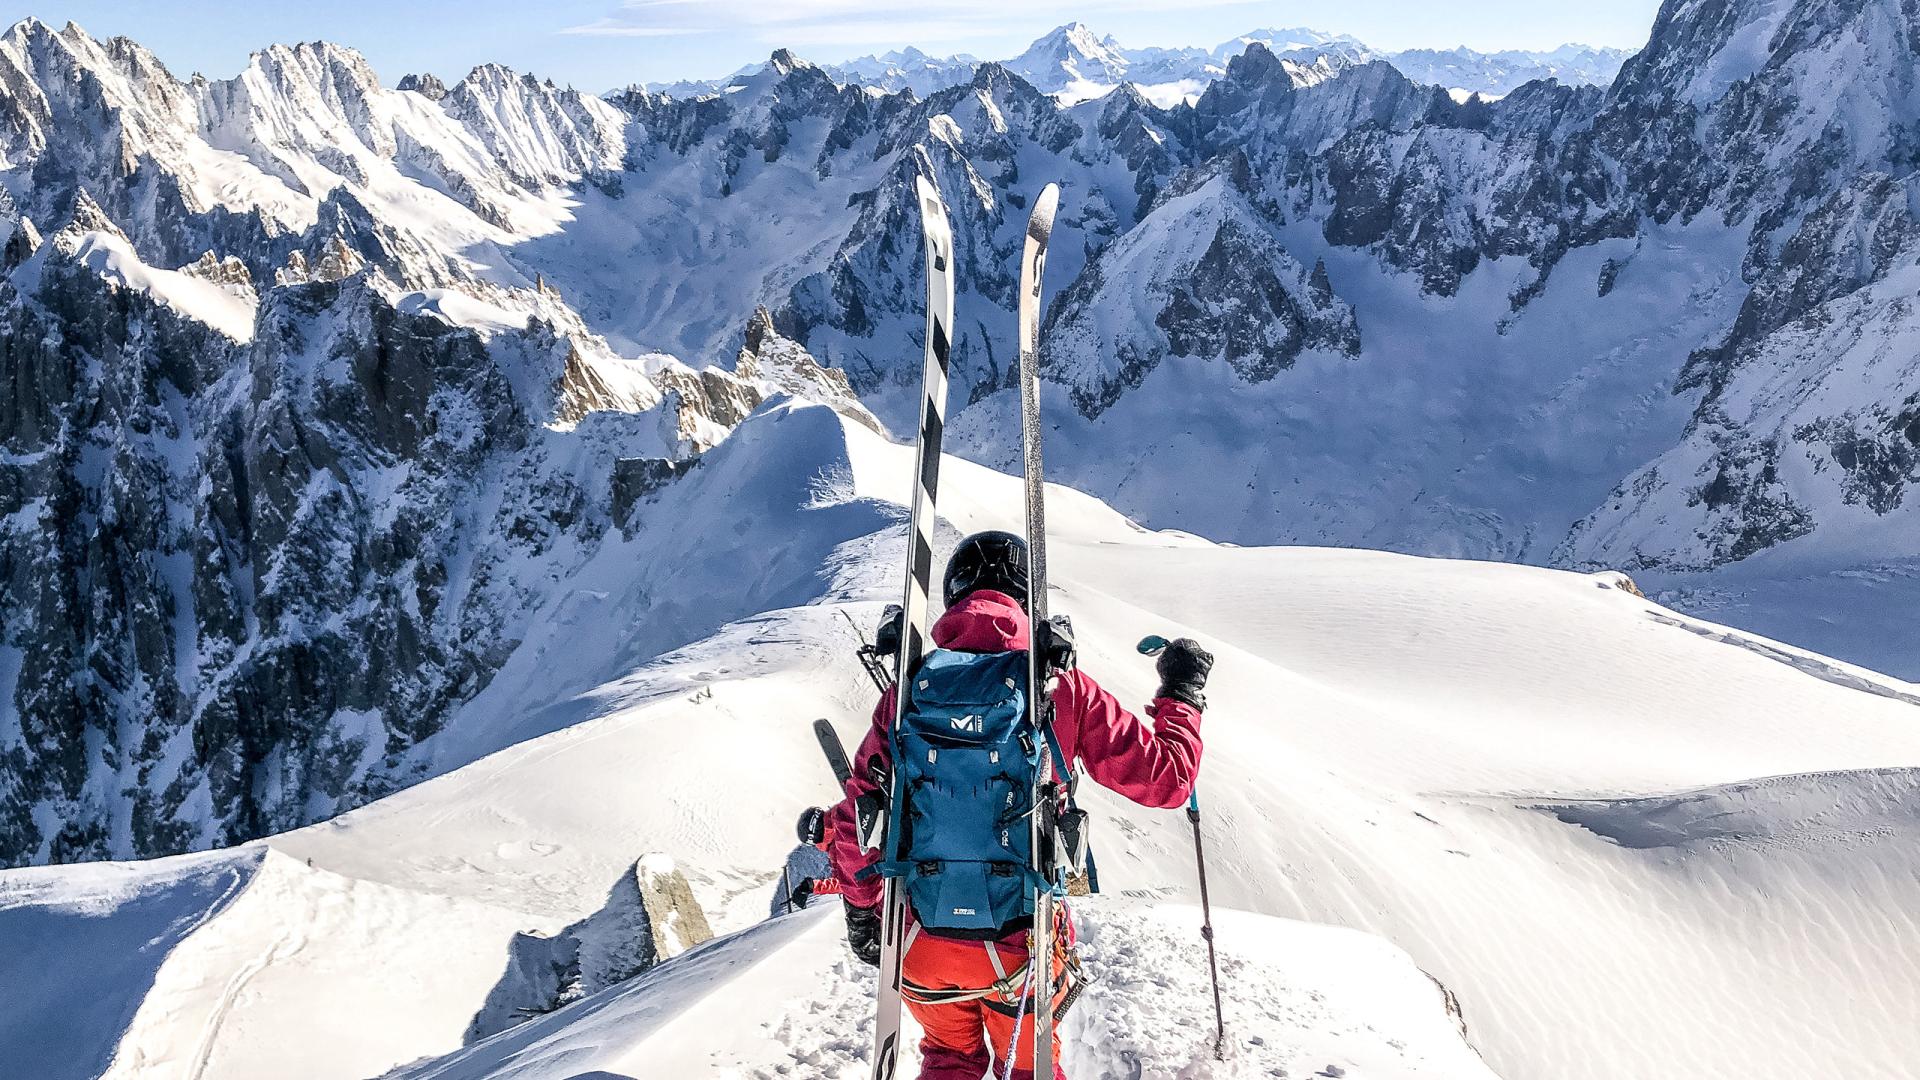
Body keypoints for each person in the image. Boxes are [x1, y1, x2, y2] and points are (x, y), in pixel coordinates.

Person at [826, 530, 1213, 1080]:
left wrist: (864, 914)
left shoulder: (909, 691)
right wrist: (1183, 695)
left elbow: (855, 819)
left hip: (925, 945)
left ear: (953, 597)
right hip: (1022, 944)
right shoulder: (1060, 687)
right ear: (1029, 600)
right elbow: (1167, 779)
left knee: (948, 1061)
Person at [770, 806, 837, 917]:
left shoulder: (841, 848)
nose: (818, 847)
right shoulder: (846, 813)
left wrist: (812, 886)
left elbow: (851, 885)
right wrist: (811, 886)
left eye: (813, 843)